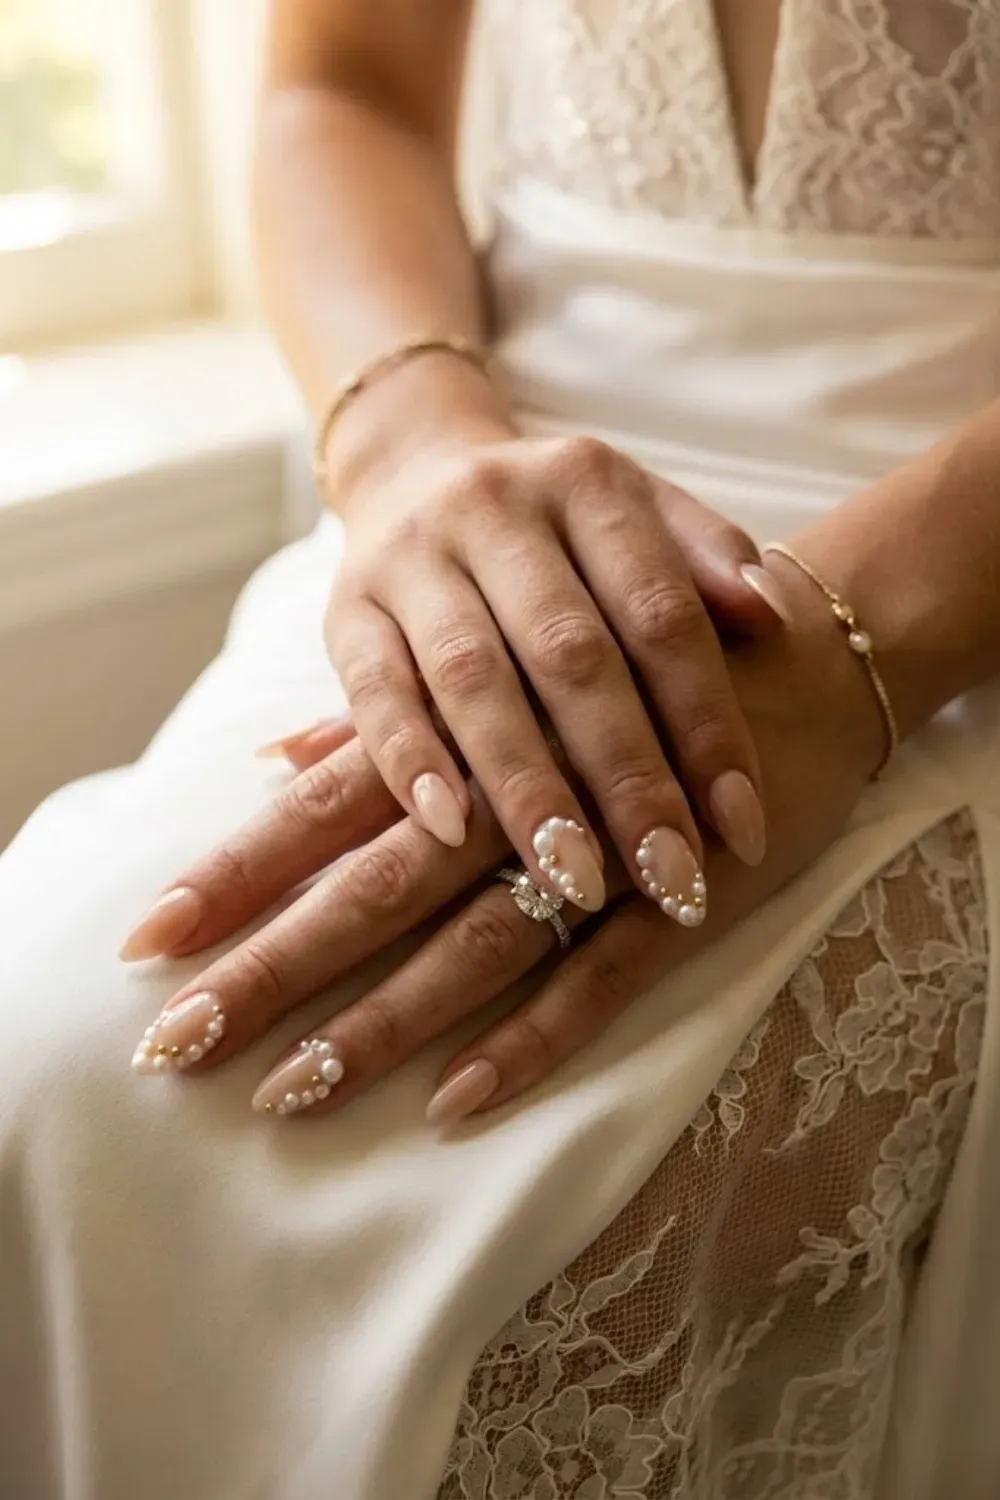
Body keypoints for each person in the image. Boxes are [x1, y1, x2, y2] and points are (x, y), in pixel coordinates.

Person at [3, 2, 1000, 1496]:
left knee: (535, 1245)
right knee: (63, 1088)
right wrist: (412, 447)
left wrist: (859, 643)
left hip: (953, 582)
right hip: (484, 498)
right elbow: (343, 87)